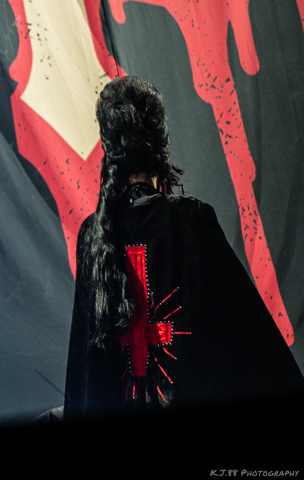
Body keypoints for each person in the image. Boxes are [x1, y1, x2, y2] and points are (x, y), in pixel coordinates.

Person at [64, 76, 304, 420]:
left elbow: (84, 370)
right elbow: (252, 341)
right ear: (160, 144)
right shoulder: (191, 220)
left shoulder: (93, 235)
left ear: (108, 147)